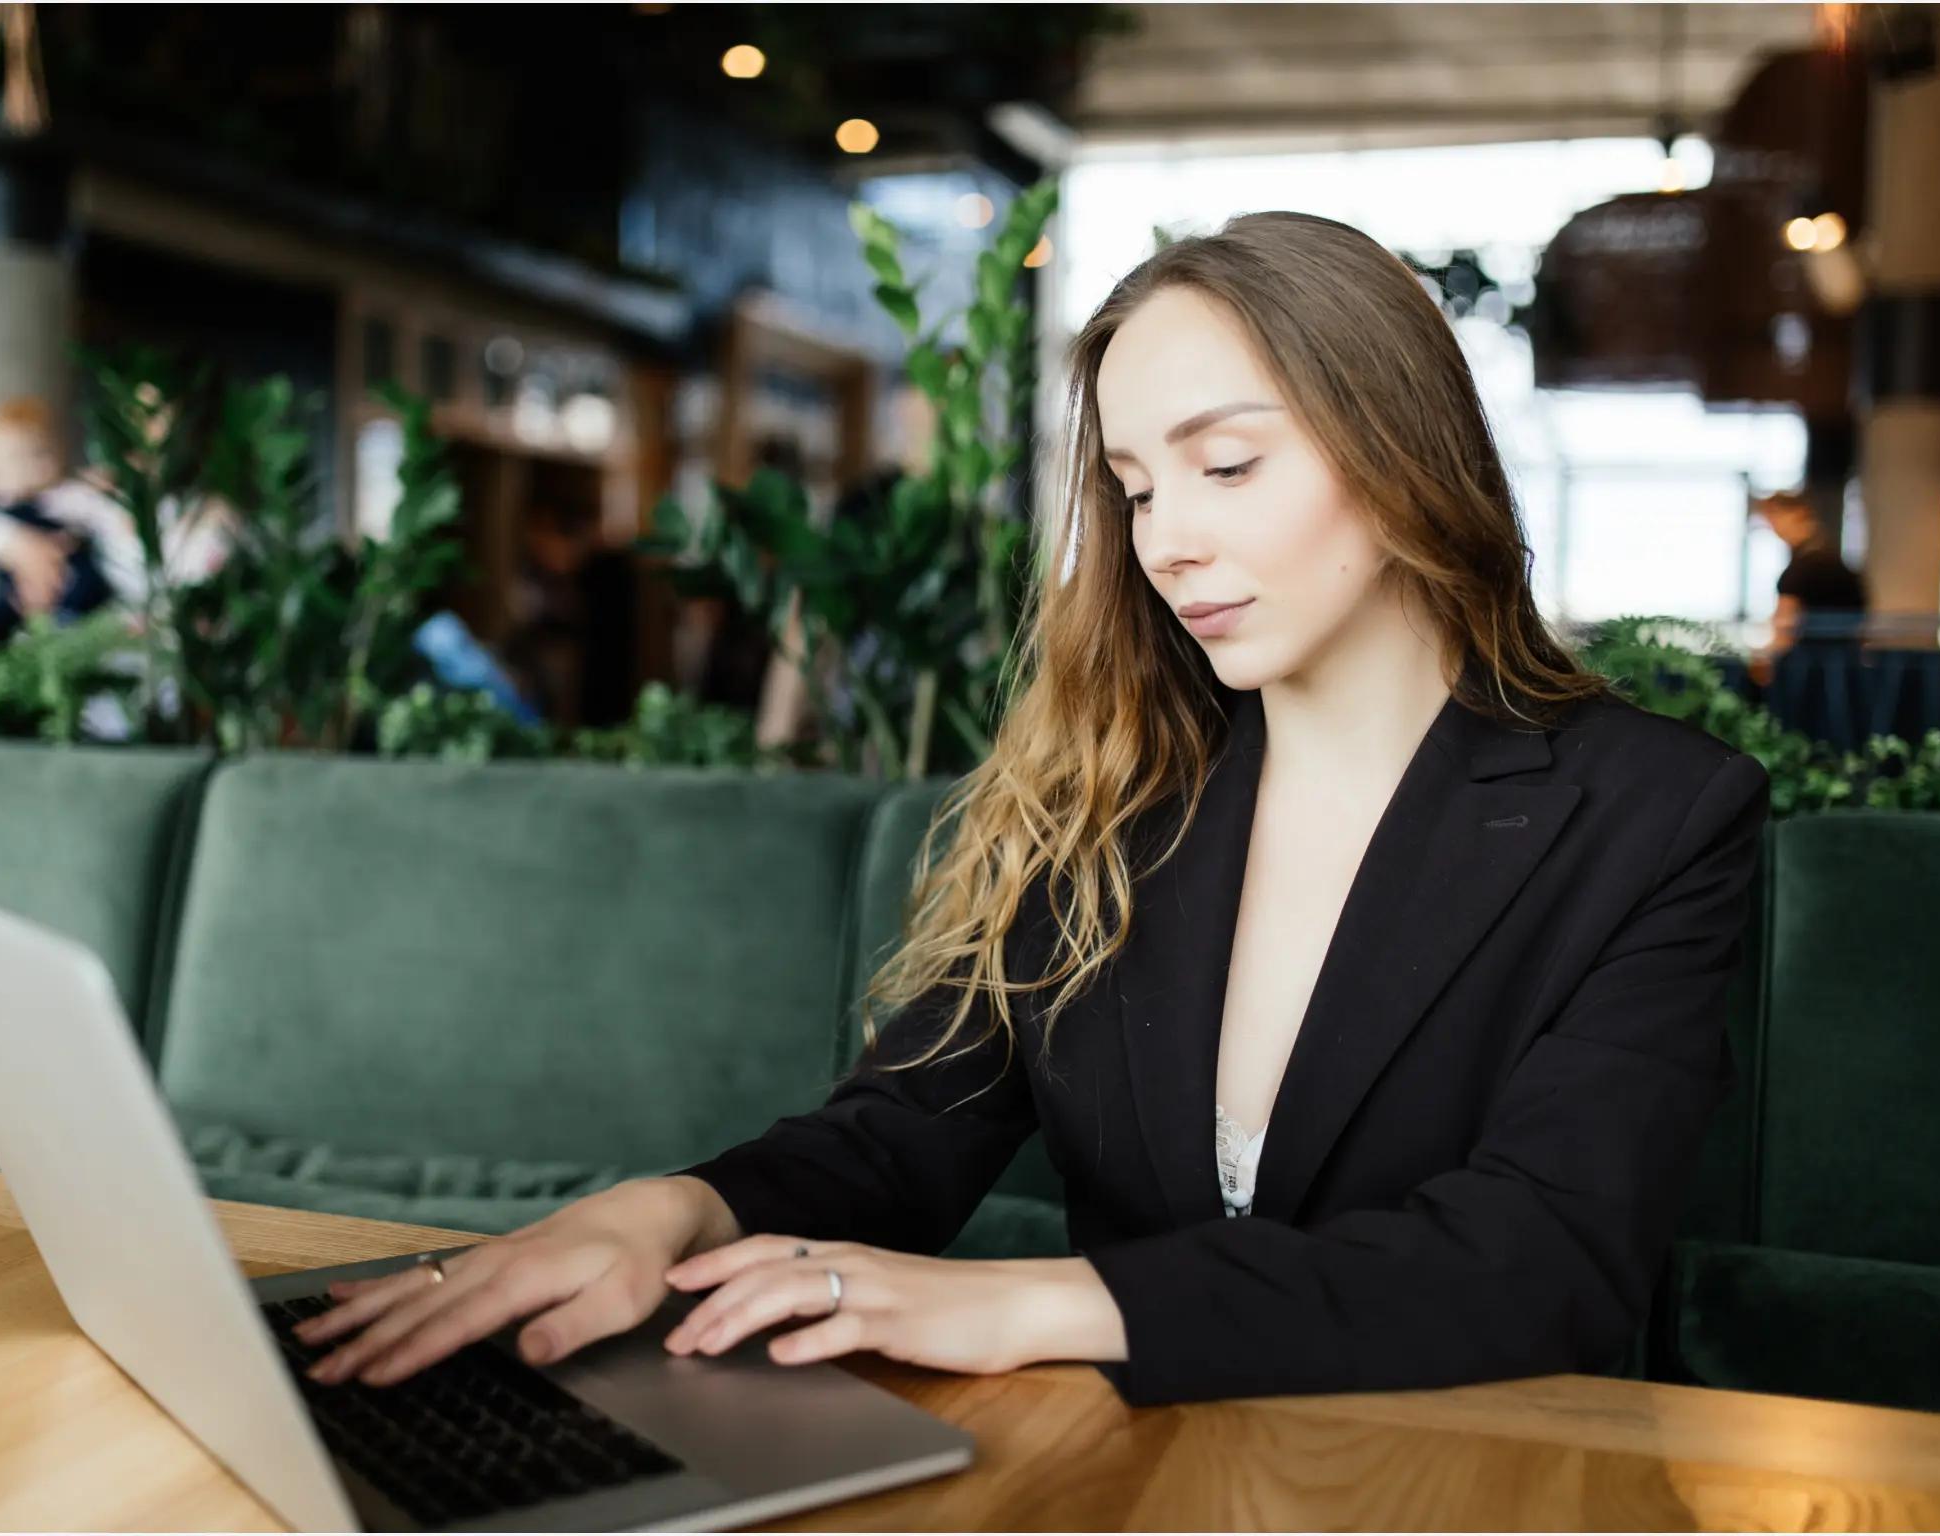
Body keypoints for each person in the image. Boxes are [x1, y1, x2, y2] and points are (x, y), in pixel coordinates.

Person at [287, 212, 1770, 1409]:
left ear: (1397, 455)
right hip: (1131, 1485)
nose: (1167, 540)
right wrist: (671, 1213)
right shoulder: (1116, 794)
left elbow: (1544, 1259)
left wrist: (1032, 1302)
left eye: (1227, 464)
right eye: (1131, 486)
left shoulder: (1653, 817)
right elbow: (896, 1135)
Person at [0, 396, 140, 644]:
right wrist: (9, 542)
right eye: (14, 459)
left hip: (73, 581)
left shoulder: (65, 495)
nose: (33, 468)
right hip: (15, 593)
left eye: (41, 454)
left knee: (93, 588)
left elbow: (102, 512)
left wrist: (122, 519)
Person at [1747, 490, 1867, 687]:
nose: (1772, 526)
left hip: (1805, 671)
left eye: (1775, 516)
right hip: (1843, 671)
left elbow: (1784, 628)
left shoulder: (1800, 570)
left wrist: (1763, 659)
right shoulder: (1838, 564)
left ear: (1799, 514)